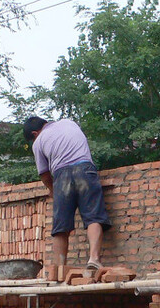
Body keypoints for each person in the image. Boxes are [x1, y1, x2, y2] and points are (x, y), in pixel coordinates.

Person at [22, 116, 110, 275]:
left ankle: (59, 268)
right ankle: (94, 259)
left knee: (61, 226)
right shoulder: (69, 122)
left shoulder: (39, 142)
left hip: (62, 176)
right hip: (85, 169)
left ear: (35, 133)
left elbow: (44, 174)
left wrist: (52, 190)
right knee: (93, 216)